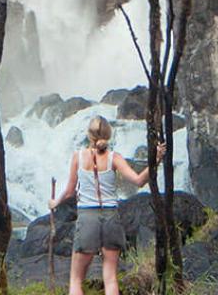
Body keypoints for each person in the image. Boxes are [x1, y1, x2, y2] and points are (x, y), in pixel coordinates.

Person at [49, 116, 162, 295]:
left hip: (87, 218)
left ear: (89, 135)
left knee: (76, 279)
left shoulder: (78, 157)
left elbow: (70, 191)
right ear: (109, 134)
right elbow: (139, 180)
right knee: (110, 278)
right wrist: (155, 160)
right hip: (110, 217)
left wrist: (55, 202)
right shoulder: (114, 158)